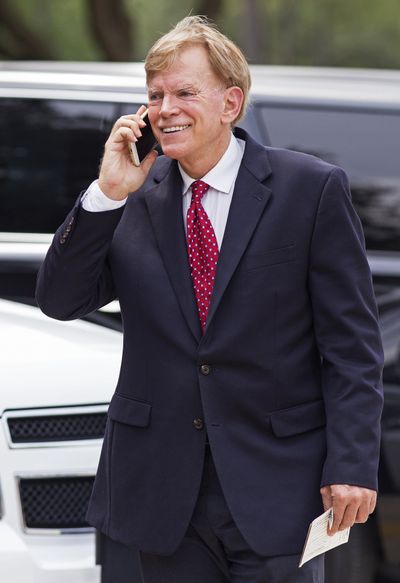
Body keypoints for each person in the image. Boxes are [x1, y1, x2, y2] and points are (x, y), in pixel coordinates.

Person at [36, 15, 384, 583]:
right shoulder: (130, 196)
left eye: (183, 92)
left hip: (277, 486)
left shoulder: (310, 190)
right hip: (160, 491)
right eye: (154, 95)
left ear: (230, 103)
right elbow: (60, 300)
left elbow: (351, 348)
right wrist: (105, 195)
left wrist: (352, 465)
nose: (164, 108)